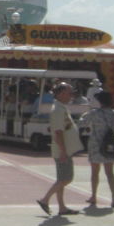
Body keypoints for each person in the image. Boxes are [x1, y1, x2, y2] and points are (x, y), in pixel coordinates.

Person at [36, 82, 80, 216]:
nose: (71, 95)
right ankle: (45, 199)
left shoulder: (62, 108)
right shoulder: (57, 110)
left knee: (61, 179)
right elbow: (58, 132)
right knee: (66, 178)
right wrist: (63, 151)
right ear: (61, 94)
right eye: (69, 92)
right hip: (62, 150)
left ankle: (62, 207)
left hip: (65, 149)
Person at [82, 91, 114, 208]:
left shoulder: (94, 113)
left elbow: (83, 123)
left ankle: (94, 196)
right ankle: (113, 197)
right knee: (110, 172)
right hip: (110, 143)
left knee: (95, 172)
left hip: (95, 143)